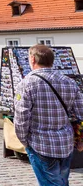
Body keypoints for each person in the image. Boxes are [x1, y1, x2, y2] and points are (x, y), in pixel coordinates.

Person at [14, 45, 83, 185]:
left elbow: (21, 118)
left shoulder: (27, 83)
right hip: (65, 143)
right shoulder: (69, 82)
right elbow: (81, 112)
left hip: (41, 144)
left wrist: (24, 141)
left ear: (32, 59)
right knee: (62, 182)